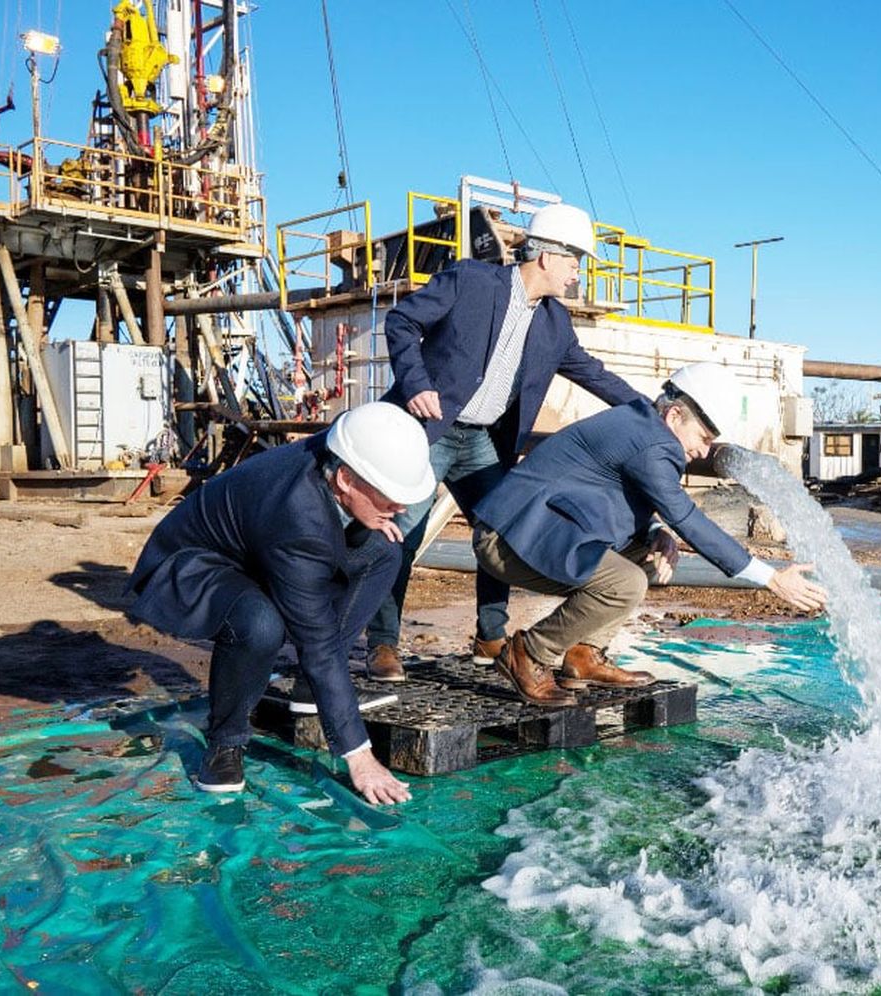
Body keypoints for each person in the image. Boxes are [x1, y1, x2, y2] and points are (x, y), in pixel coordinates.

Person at [367, 202, 647, 683]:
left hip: (483, 442)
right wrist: (416, 384)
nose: (577, 273)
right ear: (546, 256)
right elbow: (402, 323)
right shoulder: (471, 281)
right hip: (430, 430)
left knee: (504, 528)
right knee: (401, 535)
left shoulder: (555, 323)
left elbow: (592, 374)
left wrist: (652, 410)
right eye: (574, 260)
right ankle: (383, 645)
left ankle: (490, 637)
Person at [471, 362, 828, 706]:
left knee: (647, 555)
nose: (704, 452)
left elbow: (619, 492)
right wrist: (772, 579)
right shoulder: (655, 445)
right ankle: (528, 653)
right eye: (703, 437)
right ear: (675, 416)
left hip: (538, 526)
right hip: (507, 537)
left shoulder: (643, 425)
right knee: (625, 583)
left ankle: (583, 655)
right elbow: (688, 518)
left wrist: (656, 530)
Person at [125, 402, 430, 805]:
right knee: (259, 623)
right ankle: (225, 743)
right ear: (345, 480)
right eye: (389, 498)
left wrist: (371, 515)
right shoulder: (298, 516)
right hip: (190, 564)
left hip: (256, 548)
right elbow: (316, 641)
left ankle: (310, 687)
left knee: (385, 551)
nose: (401, 508)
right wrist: (360, 755)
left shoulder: (346, 450)